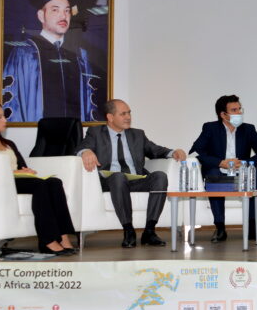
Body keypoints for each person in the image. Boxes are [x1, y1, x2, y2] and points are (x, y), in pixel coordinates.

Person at [0, 100, 76, 255]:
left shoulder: (8, 143)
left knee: (54, 182)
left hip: (18, 180)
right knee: (40, 185)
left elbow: (21, 166)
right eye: (0, 117)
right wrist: (12, 173)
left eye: (4, 116)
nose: (5, 120)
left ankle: (63, 236)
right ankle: (48, 241)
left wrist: (25, 170)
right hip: (0, 184)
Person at [76, 99, 186, 248]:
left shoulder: (137, 134)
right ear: (110, 117)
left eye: (129, 113)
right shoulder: (96, 133)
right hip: (111, 181)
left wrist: (173, 152)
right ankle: (128, 230)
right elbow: (81, 147)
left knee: (160, 176)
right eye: (123, 114)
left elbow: (154, 150)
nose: (128, 117)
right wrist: (86, 151)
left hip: (136, 179)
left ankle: (149, 231)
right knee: (118, 177)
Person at [1, 0, 98, 122]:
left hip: (73, 132)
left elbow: (89, 103)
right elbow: (12, 101)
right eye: (55, 10)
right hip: (36, 133)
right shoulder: (24, 53)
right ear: (41, 16)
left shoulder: (80, 56)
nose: (63, 16)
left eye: (67, 11)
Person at [189, 95, 257, 243]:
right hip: (219, 171)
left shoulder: (248, 129)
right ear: (223, 114)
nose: (239, 112)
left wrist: (245, 163)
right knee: (213, 175)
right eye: (234, 110)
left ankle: (252, 228)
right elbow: (196, 152)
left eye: (240, 109)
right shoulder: (210, 128)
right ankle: (220, 228)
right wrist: (220, 162)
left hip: (241, 173)